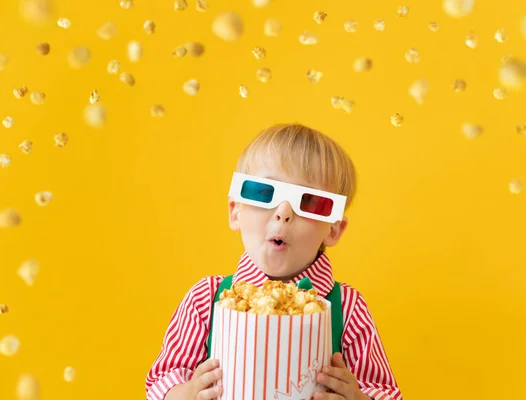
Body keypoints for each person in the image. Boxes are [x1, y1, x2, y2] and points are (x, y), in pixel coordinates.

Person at [146, 123, 402, 400]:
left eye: (310, 202)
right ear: (236, 211)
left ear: (333, 228)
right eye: (263, 192)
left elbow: (385, 393)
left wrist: (358, 398)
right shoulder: (205, 300)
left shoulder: (349, 309)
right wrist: (187, 394)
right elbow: (162, 381)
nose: (283, 212)